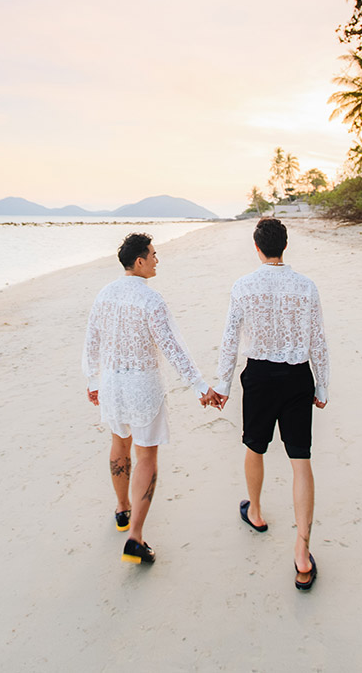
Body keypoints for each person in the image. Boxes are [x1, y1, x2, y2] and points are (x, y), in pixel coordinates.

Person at [83, 232, 220, 566]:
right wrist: (201, 386)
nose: (158, 260)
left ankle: (122, 510)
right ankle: (135, 537)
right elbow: (172, 347)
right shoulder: (151, 300)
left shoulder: (105, 294)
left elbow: (92, 340)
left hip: (113, 383)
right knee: (146, 457)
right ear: (140, 261)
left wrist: (92, 380)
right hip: (142, 386)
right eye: (154, 255)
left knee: (119, 445)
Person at [213, 217, 329, 592]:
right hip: (297, 377)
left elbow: (230, 340)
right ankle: (302, 551)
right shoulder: (306, 286)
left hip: (260, 377)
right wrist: (322, 387)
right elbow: (318, 341)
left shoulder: (244, 286)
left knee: (254, 446)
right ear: (284, 245)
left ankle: (257, 513)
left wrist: (221, 385)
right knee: (300, 460)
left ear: (258, 248)